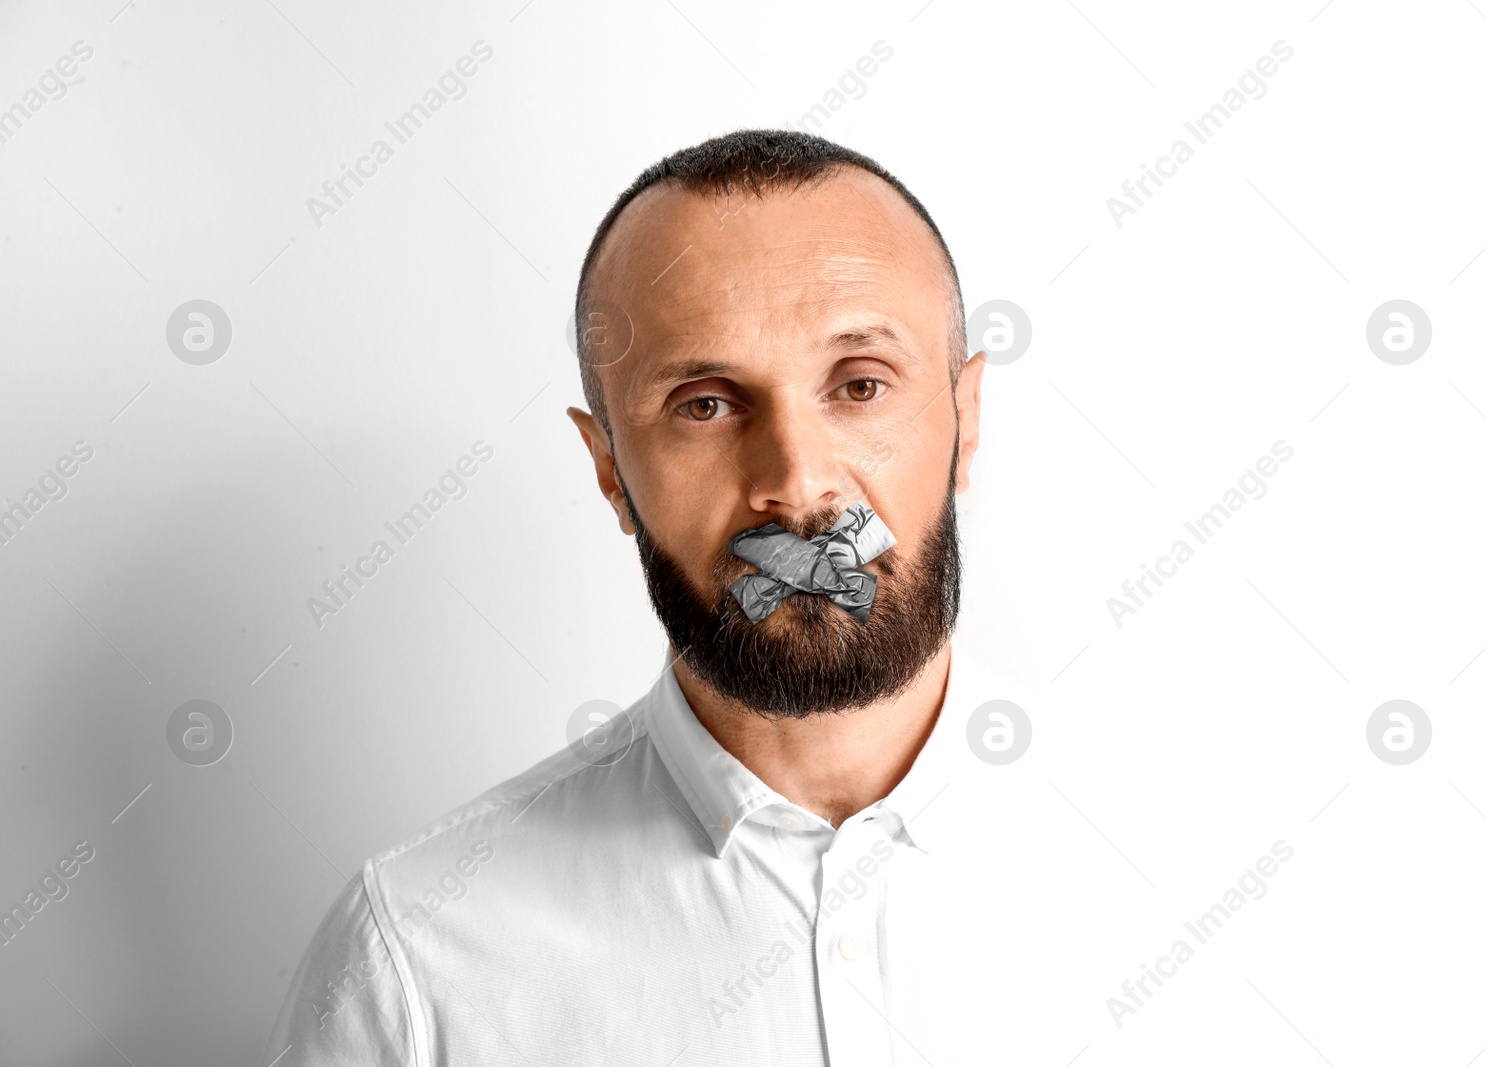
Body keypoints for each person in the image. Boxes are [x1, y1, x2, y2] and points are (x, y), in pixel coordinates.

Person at [261, 128, 1066, 1066]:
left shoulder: (1198, 864)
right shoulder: (415, 962)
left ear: (966, 424)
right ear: (610, 470)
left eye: (859, 385)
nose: (798, 486)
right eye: (707, 403)